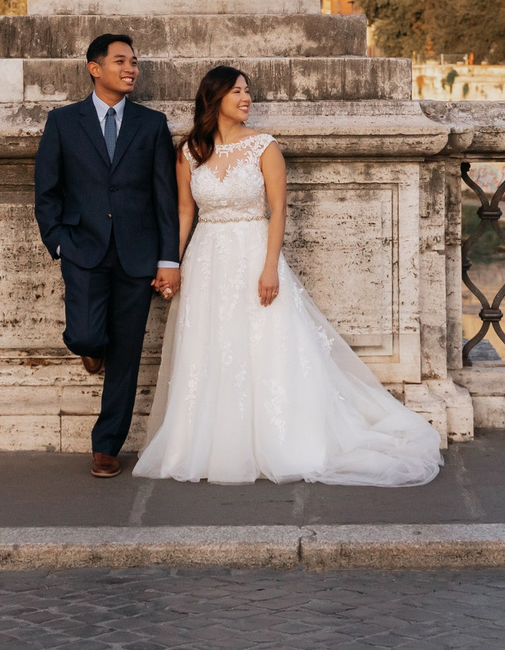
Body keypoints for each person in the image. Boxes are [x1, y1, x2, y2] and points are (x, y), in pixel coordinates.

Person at [134, 65, 442, 486]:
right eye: (237, 92)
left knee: (265, 344)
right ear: (214, 98)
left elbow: (278, 211)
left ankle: (279, 440)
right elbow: (185, 211)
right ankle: (205, 444)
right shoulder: (190, 152)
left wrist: (269, 267)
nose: (246, 99)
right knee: (209, 346)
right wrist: (170, 262)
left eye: (248, 92)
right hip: (205, 259)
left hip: (252, 252)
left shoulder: (264, 147)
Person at [31, 32, 180, 478]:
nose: (131, 69)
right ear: (95, 68)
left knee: (128, 353)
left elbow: (164, 197)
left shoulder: (151, 124)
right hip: (82, 248)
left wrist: (167, 258)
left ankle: (106, 445)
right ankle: (90, 348)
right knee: (84, 335)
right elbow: (47, 190)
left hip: (138, 255)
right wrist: (57, 241)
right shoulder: (63, 121)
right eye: (121, 61)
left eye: (134, 62)